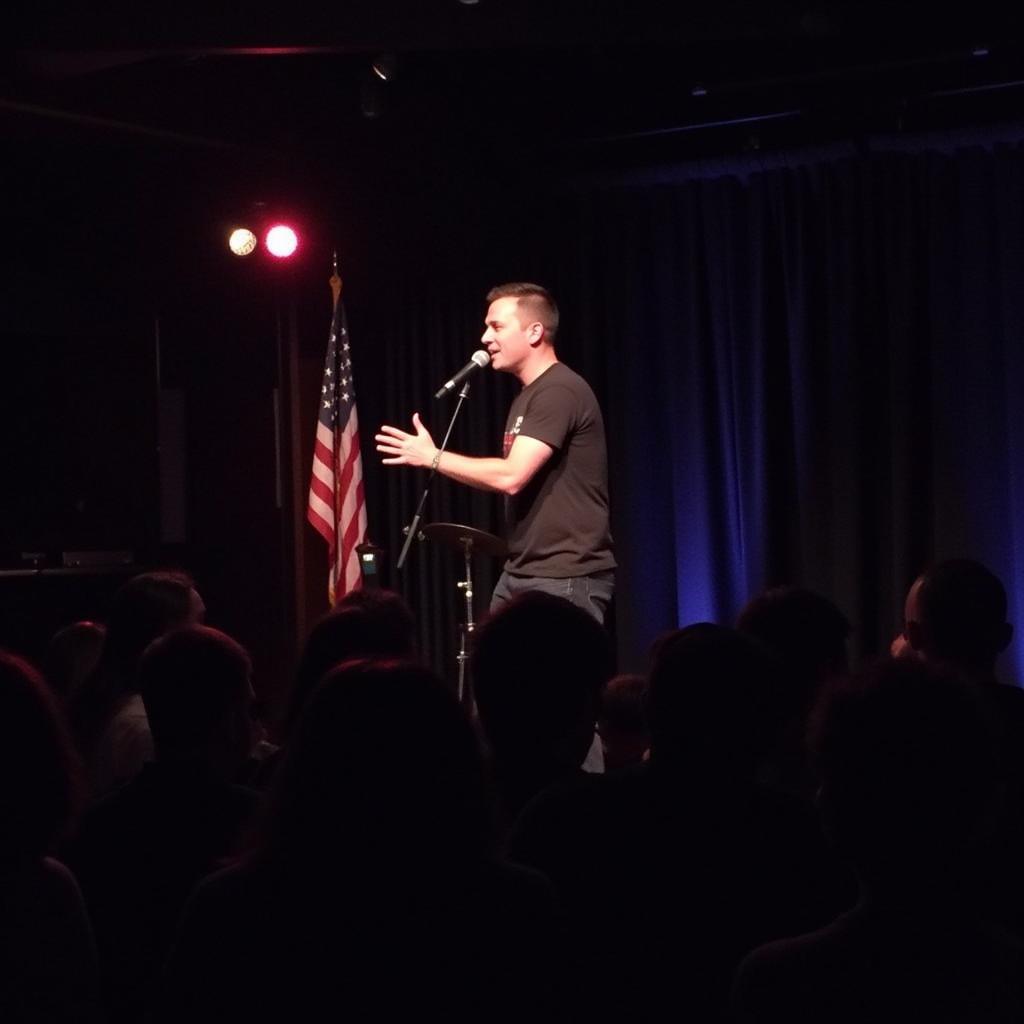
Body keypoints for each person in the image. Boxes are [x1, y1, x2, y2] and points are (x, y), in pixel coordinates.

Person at [376, 282, 615, 623]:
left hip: (565, 575)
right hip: (523, 570)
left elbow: (512, 475)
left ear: (535, 332)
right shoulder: (528, 396)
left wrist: (432, 456)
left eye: (497, 326)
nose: (485, 338)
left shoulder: (560, 390)